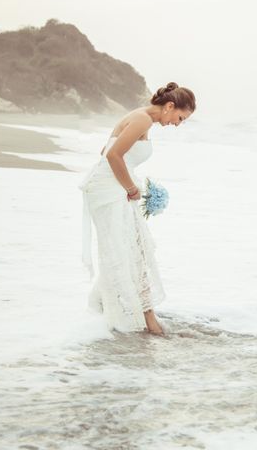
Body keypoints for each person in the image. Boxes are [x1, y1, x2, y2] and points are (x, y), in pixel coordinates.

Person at [80, 82, 196, 334]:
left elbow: (106, 151)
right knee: (134, 250)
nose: (178, 123)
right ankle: (147, 319)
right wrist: (131, 188)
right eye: (180, 117)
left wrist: (129, 183)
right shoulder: (142, 119)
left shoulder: (140, 118)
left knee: (129, 249)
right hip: (109, 192)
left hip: (109, 187)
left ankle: (103, 306)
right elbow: (111, 157)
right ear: (169, 106)